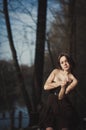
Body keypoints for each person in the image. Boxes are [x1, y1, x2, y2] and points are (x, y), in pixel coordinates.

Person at [39, 53, 79, 130]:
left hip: (63, 104)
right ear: (60, 65)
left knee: (64, 127)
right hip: (51, 101)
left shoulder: (74, 80)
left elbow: (61, 97)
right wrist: (59, 83)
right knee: (49, 127)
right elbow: (45, 86)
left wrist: (63, 87)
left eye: (66, 61)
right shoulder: (55, 72)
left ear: (70, 62)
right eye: (62, 62)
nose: (65, 64)